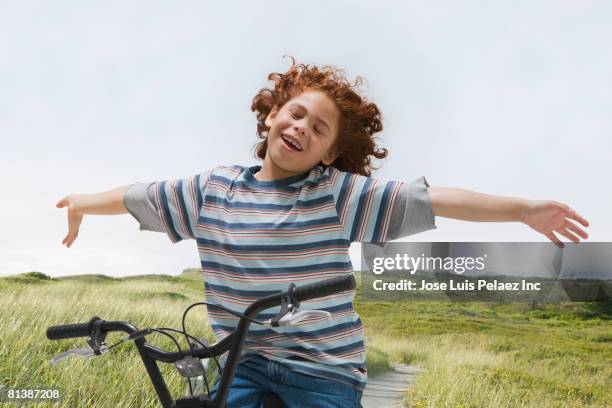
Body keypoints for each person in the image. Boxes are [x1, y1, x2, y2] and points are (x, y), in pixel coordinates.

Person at [55, 56, 589, 408]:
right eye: (295, 114)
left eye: (318, 129)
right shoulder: (211, 190)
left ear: (329, 152)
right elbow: (137, 195)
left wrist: (524, 209)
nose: (300, 129)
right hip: (241, 363)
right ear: (270, 116)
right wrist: (82, 202)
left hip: (323, 370)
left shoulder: (335, 193)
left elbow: (432, 199)